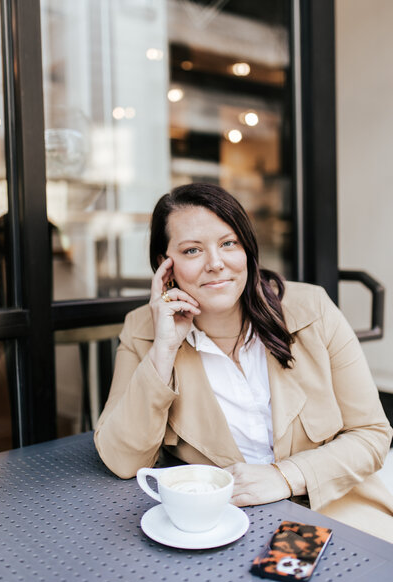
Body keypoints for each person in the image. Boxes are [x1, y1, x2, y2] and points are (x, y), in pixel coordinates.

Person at [94, 183, 393, 542]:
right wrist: (164, 349)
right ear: (165, 265)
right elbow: (122, 461)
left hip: (335, 508)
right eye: (192, 250)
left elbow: (372, 434)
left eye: (228, 243)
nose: (216, 263)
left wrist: (285, 476)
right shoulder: (143, 331)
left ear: (247, 250)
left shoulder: (312, 308)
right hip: (222, 524)